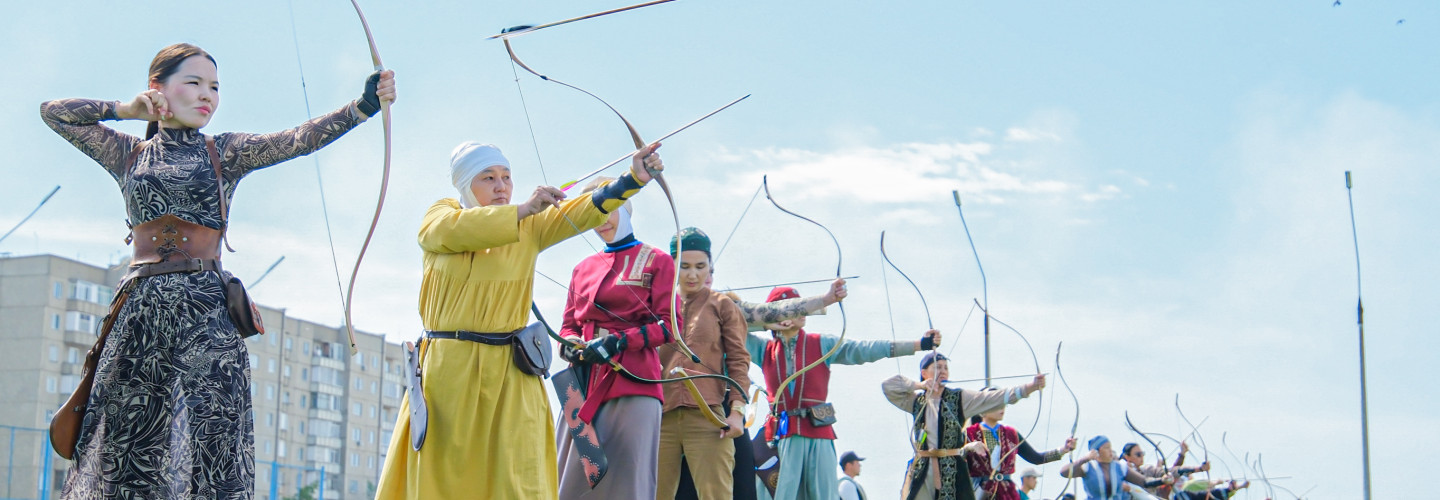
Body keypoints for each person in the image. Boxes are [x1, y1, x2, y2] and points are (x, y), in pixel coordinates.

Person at [41, 42, 394, 498]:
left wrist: (363, 106)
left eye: (214, 87)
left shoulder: (223, 152)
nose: (207, 95)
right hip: (139, 322)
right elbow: (54, 113)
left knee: (217, 450)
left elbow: (296, 140)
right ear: (158, 89)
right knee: (126, 456)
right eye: (194, 83)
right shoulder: (128, 152)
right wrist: (124, 109)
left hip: (206, 318)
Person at [375, 140, 663, 499]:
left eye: (507, 177)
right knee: (446, 473)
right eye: (489, 178)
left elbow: (585, 209)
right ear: (466, 185)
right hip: (450, 371)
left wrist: (633, 178)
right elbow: (451, 231)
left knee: (514, 476)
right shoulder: (440, 215)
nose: (501, 186)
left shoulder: (531, 225)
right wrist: (524, 208)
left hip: (509, 373)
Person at [664, 230, 846, 500]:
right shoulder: (660, 304)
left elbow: (769, 313)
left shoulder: (724, 307)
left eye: (703, 268)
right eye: (685, 267)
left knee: (736, 487)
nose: (697, 276)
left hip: (719, 410)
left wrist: (825, 299)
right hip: (667, 409)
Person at [554, 177, 679, 499]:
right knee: (568, 481)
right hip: (579, 386)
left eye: (609, 209)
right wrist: (571, 346)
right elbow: (568, 325)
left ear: (626, 207)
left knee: (628, 480)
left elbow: (669, 327)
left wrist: (618, 342)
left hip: (633, 382)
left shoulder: (658, 261)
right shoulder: (582, 268)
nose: (602, 220)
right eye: (594, 214)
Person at [753, 286, 940, 500]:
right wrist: (768, 322)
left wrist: (919, 344)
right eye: (794, 308)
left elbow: (864, 349)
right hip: (783, 437)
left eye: (803, 306)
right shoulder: (763, 349)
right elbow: (728, 325)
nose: (803, 312)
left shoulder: (821, 344)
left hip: (819, 435)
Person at [882, 352, 1045, 500]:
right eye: (937, 367)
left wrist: (1030, 387)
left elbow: (994, 398)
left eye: (946, 368)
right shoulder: (916, 401)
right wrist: (919, 385)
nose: (943, 371)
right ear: (924, 373)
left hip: (951, 469)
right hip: (922, 469)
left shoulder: (959, 398)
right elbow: (888, 386)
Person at [963, 401, 1076, 500]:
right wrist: (968, 447)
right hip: (978, 492)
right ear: (983, 408)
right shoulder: (968, 434)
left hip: (1007, 494)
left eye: (1003, 405)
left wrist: (1063, 450)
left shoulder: (1011, 434)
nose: (1002, 408)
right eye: (996, 405)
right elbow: (954, 458)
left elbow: (1036, 458)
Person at [1057, 436, 1164, 500]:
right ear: (1097, 451)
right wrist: (1084, 459)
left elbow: (1144, 481)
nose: (1110, 451)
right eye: (1106, 448)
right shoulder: (1088, 467)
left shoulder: (1120, 467)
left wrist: (1162, 480)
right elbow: (1064, 472)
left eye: (1110, 447)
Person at [1118, 442, 1205, 498]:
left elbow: (1170, 472)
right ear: (1127, 457)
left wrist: (1198, 468)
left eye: (1142, 454)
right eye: (1138, 454)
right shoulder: (1123, 474)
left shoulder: (1148, 470)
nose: (1142, 456)